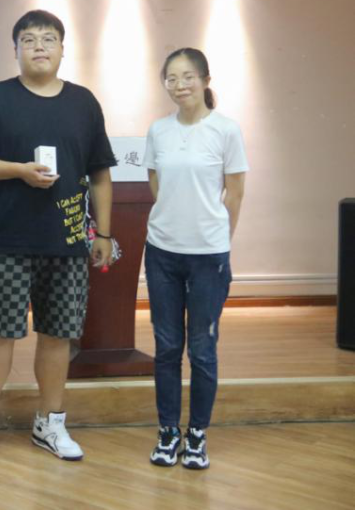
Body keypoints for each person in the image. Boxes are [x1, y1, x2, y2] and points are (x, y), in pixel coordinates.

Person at [0, 9, 116, 463]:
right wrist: (18, 171)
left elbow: (100, 174)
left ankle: (50, 423)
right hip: (5, 242)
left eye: (48, 39)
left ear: (63, 48)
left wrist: (104, 233)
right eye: (28, 39)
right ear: (16, 50)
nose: (39, 46)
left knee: (58, 336)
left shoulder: (83, 102)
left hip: (67, 242)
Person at [144, 48, 247, 470]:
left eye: (187, 76)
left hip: (208, 257)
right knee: (167, 347)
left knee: (203, 349)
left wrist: (217, 237)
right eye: (171, 78)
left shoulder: (226, 130)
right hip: (162, 252)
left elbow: (234, 194)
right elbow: (156, 184)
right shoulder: (158, 130)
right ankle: (168, 432)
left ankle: (197, 434)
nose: (179, 85)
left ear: (205, 80)